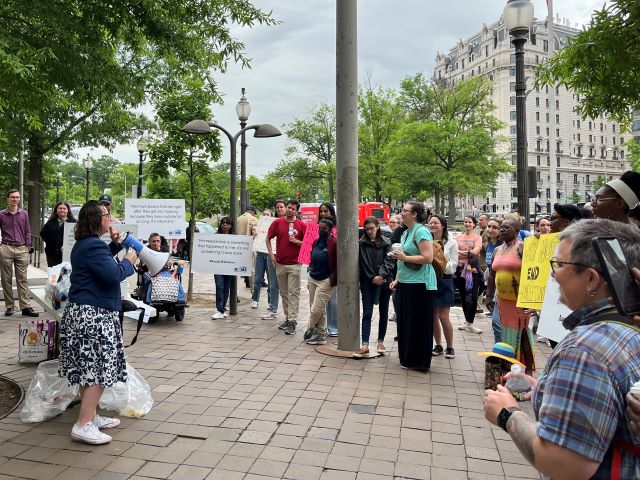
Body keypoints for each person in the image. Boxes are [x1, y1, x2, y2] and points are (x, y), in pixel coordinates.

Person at [483, 219, 640, 479]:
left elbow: (563, 463)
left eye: (558, 264)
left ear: (591, 278)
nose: (552, 274)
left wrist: (507, 413)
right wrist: (547, 387)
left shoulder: (584, 349)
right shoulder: (630, 326)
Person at [57, 200, 137, 445]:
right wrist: (129, 259)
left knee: (89, 369)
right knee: (98, 371)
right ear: (96, 218)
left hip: (88, 314)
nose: (110, 219)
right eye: (107, 215)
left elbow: (100, 264)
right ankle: (82, 424)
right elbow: (112, 274)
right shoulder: (92, 247)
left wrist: (114, 246)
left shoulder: (87, 245)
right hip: (94, 316)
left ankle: (91, 415)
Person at [389, 202, 437, 372]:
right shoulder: (405, 233)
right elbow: (404, 258)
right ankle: (408, 358)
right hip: (406, 283)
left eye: (404, 211)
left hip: (421, 284)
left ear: (415, 214)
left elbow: (428, 258)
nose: (401, 213)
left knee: (419, 323)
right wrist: (397, 279)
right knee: (406, 322)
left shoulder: (421, 231)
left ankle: (420, 362)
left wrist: (404, 258)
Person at [485, 218, 535, 373]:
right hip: (502, 301)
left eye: (507, 228)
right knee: (505, 333)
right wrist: (488, 295)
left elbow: (533, 273)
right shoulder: (497, 250)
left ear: (517, 231)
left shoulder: (522, 247)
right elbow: (492, 274)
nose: (503, 230)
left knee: (523, 333)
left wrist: (532, 299)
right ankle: (508, 366)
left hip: (519, 301)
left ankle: (526, 369)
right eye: (502, 228)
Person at [266, 200, 306, 335]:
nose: (290, 210)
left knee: (293, 293)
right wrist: (271, 254)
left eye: (293, 209)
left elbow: (308, 244)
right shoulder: (277, 223)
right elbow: (268, 238)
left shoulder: (301, 225)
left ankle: (293, 321)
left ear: (297, 211)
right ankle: (288, 318)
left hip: (295, 264)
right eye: (288, 207)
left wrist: (297, 241)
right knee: (284, 293)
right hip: (280, 263)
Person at [355, 216, 394, 356]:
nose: (369, 231)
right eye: (367, 229)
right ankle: (365, 343)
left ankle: (380, 341)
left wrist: (381, 275)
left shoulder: (386, 242)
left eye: (372, 228)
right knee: (367, 313)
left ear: (378, 227)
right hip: (368, 281)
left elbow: (389, 260)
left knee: (384, 312)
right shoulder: (361, 243)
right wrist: (373, 277)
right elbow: (363, 262)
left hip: (384, 281)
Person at [0, 190, 38, 317]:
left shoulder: (24, 214)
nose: (15, 199)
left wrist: (27, 247)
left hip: (22, 248)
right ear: (8, 199)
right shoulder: (1, 215)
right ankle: (10, 306)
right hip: (6, 247)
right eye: (12, 197)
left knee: (22, 278)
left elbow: (28, 231)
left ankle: (25, 306)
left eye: (17, 197)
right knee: (6, 279)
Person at [429, 214, 459, 359]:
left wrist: (439, 260)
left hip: (444, 280)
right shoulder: (426, 240)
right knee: (433, 316)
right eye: (430, 222)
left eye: (436, 222)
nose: (432, 225)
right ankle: (438, 345)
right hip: (429, 280)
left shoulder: (452, 243)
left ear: (443, 225)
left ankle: (450, 347)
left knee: (443, 316)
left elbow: (453, 267)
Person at [304, 218, 337, 346]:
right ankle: (320, 334)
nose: (321, 230)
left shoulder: (334, 242)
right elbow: (312, 254)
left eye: (324, 228)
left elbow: (338, 262)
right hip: (313, 277)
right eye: (320, 228)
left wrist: (332, 278)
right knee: (318, 308)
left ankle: (309, 328)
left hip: (326, 280)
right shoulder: (316, 241)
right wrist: (310, 267)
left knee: (315, 309)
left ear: (330, 229)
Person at [254, 201, 285, 319]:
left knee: (290, 288)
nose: (279, 209)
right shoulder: (272, 223)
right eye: (277, 207)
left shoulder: (295, 223)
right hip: (272, 256)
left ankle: (291, 315)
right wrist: (271, 254)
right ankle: (273, 309)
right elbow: (267, 239)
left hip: (288, 259)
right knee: (273, 284)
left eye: (281, 207)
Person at [454, 215, 483, 333]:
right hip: (460, 270)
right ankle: (467, 321)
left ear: (474, 224)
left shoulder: (477, 238)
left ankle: (470, 322)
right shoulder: (457, 237)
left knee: (472, 296)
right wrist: (468, 253)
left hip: (472, 271)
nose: (467, 224)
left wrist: (462, 253)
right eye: (465, 222)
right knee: (463, 296)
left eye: (470, 222)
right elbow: (454, 252)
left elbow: (476, 252)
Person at [318, 202, 339, 337]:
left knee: (332, 299)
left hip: (332, 270)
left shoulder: (338, 229)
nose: (324, 213)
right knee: (317, 300)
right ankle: (319, 326)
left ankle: (333, 326)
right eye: (321, 211)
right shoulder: (315, 228)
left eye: (326, 211)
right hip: (317, 270)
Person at [483, 218, 503, 342]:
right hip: (492, 283)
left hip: (501, 286)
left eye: (495, 227)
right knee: (496, 323)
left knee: (498, 322)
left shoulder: (502, 246)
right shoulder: (489, 245)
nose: (490, 229)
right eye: (489, 226)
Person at [40, 201, 77, 267]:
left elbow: (78, 237)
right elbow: (43, 234)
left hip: (69, 255)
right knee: (54, 275)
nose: (62, 210)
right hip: (52, 255)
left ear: (68, 210)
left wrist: (68, 247)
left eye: (64, 208)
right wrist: (52, 243)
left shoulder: (74, 223)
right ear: (56, 210)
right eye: (60, 208)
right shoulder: (51, 222)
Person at [211, 217, 234, 319]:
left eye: (227, 223)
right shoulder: (215, 236)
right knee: (219, 286)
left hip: (229, 266)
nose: (225, 225)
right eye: (223, 223)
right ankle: (219, 309)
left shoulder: (234, 237)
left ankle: (222, 308)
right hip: (218, 266)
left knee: (226, 288)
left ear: (230, 225)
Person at [237, 205, 258, 289]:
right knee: (252, 270)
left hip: (237, 248)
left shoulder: (237, 219)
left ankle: (236, 294)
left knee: (236, 271)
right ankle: (253, 291)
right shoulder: (253, 219)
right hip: (249, 248)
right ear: (253, 212)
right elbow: (255, 233)